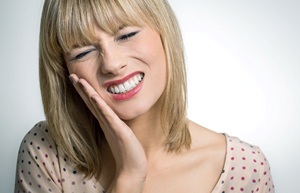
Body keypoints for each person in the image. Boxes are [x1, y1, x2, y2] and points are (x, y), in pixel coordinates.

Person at [15, 0, 274, 192]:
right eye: (83, 52)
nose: (112, 64)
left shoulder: (244, 167)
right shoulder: (45, 151)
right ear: (64, 71)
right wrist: (128, 178)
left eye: (126, 35)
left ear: (164, 34)